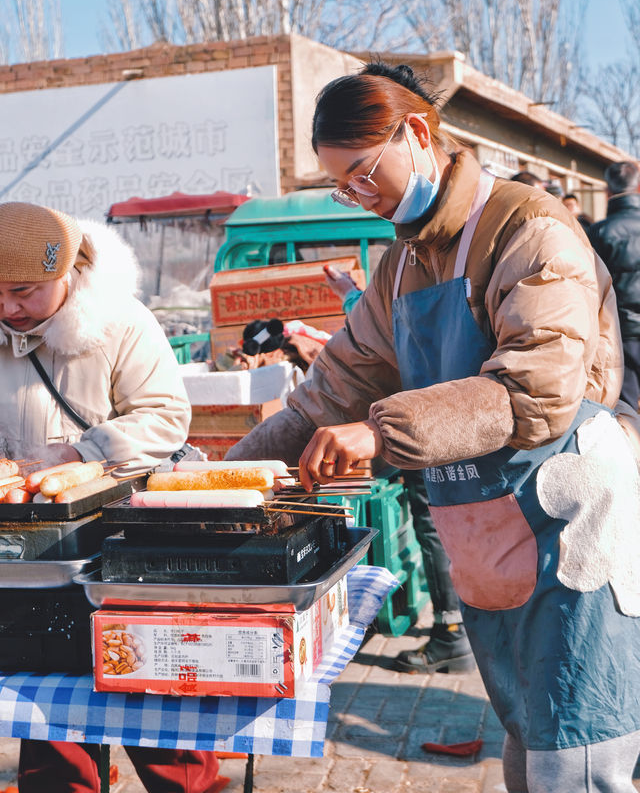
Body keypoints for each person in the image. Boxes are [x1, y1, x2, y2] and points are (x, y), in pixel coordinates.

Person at [226, 61, 640, 792]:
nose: (359, 197)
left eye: (362, 174)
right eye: (341, 186)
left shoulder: (530, 227)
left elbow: (537, 390)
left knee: (577, 754)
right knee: (529, 743)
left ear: (417, 133)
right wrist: (227, 481)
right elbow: (329, 392)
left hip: (570, 532)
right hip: (489, 541)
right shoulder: (401, 267)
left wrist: (383, 435)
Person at [0, 202, 226, 793]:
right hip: (26, 548)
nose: (7, 308)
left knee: (145, 685)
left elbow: (165, 416)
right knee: (48, 700)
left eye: (22, 291)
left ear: (65, 274)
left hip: (124, 539)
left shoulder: (119, 322)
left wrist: (82, 455)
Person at [323, 263, 474, 673]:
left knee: (434, 525)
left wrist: (349, 296)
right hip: (455, 418)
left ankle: (452, 632)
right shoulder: (452, 275)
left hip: (425, 422)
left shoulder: (417, 279)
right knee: (446, 522)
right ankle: (462, 627)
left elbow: (385, 328)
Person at [589, 160, 640, 411]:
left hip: (620, 329)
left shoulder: (598, 232)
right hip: (623, 327)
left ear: (607, 191)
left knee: (627, 406)